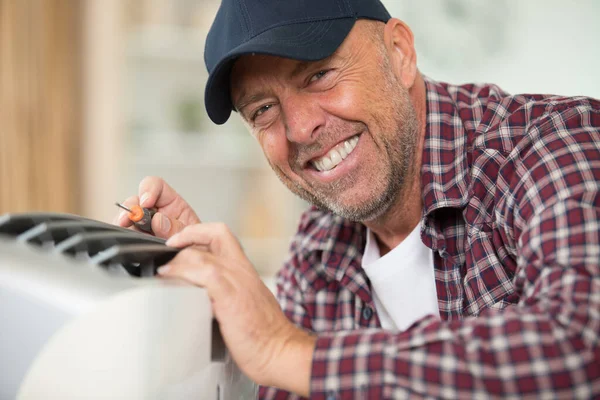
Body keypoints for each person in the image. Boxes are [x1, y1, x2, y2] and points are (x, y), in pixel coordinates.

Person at [115, 0, 600, 398]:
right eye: (263, 109)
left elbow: (579, 345)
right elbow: (281, 377)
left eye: (319, 75)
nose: (299, 128)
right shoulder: (318, 244)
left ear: (399, 52)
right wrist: (212, 311)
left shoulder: (553, 143)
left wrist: (288, 349)